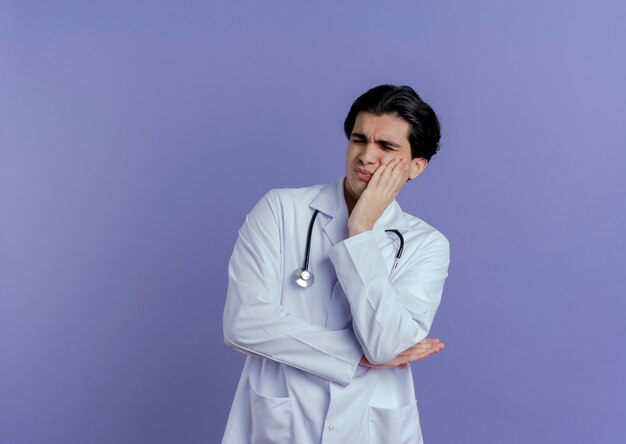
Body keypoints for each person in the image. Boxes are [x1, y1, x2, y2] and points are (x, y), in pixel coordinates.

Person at [222, 84, 450, 444]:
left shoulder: (426, 245)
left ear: (416, 166)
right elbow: (243, 323)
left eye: (386, 147)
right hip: (282, 422)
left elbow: (384, 346)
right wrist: (354, 356)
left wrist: (361, 231)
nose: (366, 156)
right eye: (359, 140)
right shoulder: (281, 211)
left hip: (372, 427)